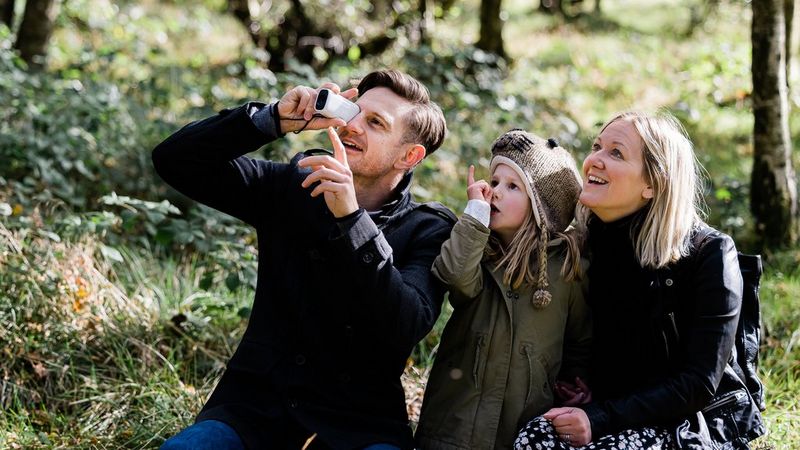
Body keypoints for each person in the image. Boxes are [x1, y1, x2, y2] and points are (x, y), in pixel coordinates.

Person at [153, 69, 456, 450]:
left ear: (409, 156)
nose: (352, 126)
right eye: (354, 112)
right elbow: (174, 160)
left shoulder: (428, 228)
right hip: (253, 412)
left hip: (359, 426)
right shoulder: (294, 187)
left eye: (375, 123)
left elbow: (407, 324)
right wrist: (273, 119)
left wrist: (353, 220)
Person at [514, 111, 765, 449]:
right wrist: (588, 388)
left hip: (691, 421)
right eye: (597, 147)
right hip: (616, 410)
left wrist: (600, 417)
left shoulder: (711, 254)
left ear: (652, 183)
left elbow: (698, 384)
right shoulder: (590, 245)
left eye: (616, 153)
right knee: (534, 437)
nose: (594, 161)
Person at [415, 130, 592, 450]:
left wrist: (574, 384)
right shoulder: (477, 248)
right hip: (453, 428)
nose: (494, 192)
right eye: (494, 181)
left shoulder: (568, 268)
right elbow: (453, 277)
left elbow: (580, 337)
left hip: (521, 430)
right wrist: (474, 217)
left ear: (543, 208)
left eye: (513, 186)